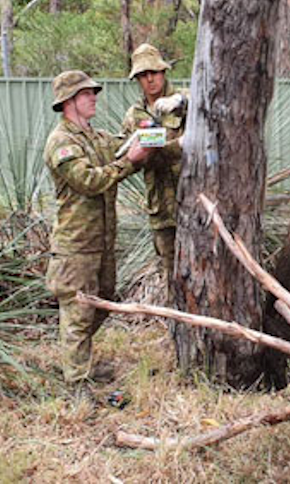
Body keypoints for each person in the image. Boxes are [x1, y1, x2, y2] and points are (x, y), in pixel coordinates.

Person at [45, 70, 152, 385]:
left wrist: (149, 130)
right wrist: (128, 162)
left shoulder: (96, 137)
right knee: (78, 314)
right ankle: (76, 383)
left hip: (102, 241)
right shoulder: (61, 142)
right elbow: (88, 181)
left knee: (102, 299)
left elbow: (122, 146)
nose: (93, 98)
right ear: (68, 102)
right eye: (85, 94)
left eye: (93, 92)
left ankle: (75, 360)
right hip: (75, 246)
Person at [118, 44, 188, 292]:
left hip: (191, 201)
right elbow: (129, 154)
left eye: (155, 72)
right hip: (160, 206)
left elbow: (207, 105)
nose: (150, 79)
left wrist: (179, 100)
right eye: (143, 75)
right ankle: (177, 328)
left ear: (163, 72)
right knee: (171, 276)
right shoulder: (134, 115)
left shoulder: (183, 101)